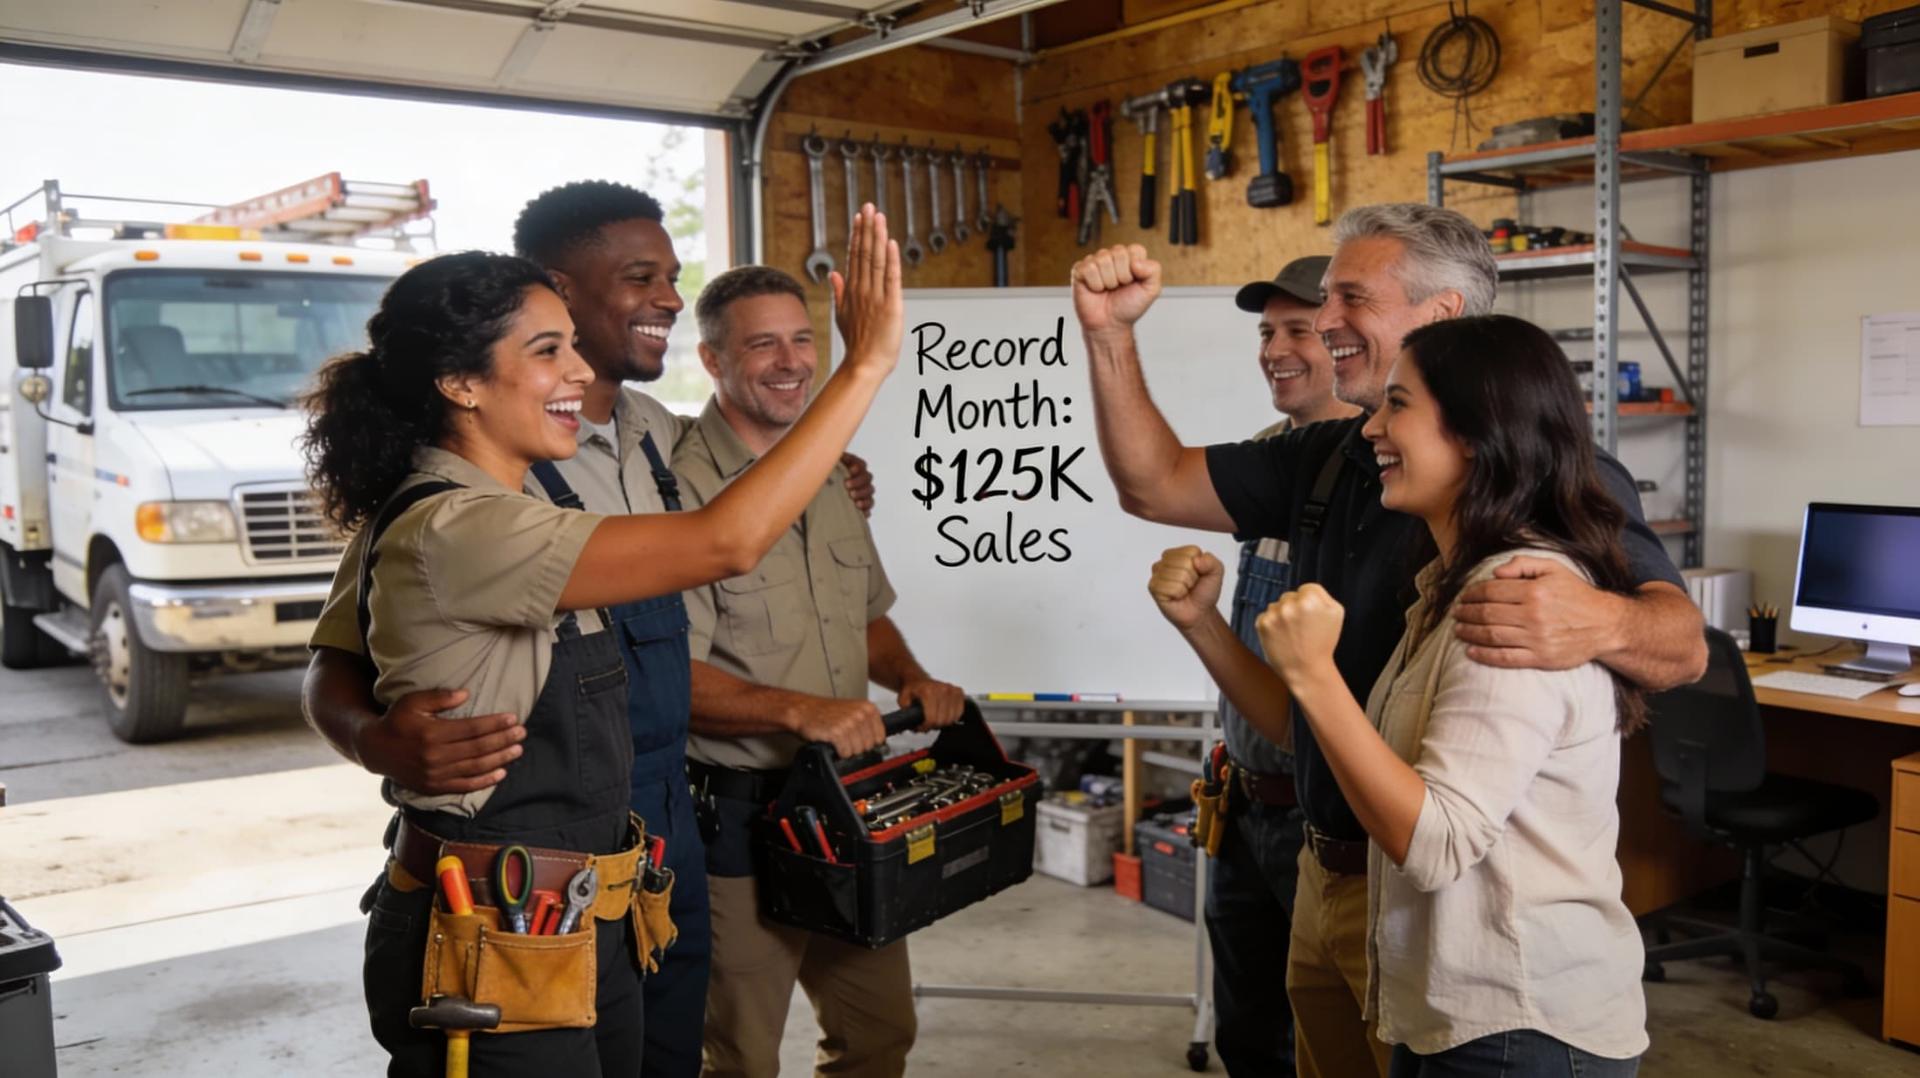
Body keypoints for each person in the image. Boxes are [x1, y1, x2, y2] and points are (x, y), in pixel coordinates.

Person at [1073, 202, 1704, 1078]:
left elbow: (1682, 647)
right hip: (1332, 871)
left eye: (1351, 299)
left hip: (1455, 916)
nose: (1326, 319)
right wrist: (1108, 337)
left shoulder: (1541, 517)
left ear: (1444, 315)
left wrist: (1593, 618)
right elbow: (1153, 483)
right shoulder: (1337, 460)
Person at [306, 209, 900, 1077]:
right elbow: (725, 540)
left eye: (572, 348)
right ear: (461, 383)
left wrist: (833, 469)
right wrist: (867, 363)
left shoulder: (560, 480)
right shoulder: (458, 524)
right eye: (549, 350)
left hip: (598, 878)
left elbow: (748, 476)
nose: (580, 371)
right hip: (500, 911)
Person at [1245, 314, 1650, 1074]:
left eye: (1398, 405)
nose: (1372, 429)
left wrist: (1313, 675)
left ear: (1476, 433)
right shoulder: (1447, 584)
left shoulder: (1513, 600)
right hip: (1456, 1013)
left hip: (1517, 1028)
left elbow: (1434, 844)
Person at [672, 265, 965, 1078]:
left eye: (802, 340)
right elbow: (667, 679)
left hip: (847, 806)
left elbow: (865, 612)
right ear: (711, 359)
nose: (791, 361)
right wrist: (799, 710)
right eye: (762, 344)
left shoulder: (832, 472)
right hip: (737, 820)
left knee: (880, 1032)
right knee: (740, 1058)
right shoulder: (678, 489)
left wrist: (909, 676)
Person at [1206, 255, 1359, 1077]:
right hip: (1241, 800)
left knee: (1326, 1044)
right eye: (1267, 332)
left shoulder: (1378, 477)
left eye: (1297, 329)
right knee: (1247, 1037)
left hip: (1318, 819)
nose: (1273, 350)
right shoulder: (1270, 456)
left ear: (1342, 339)